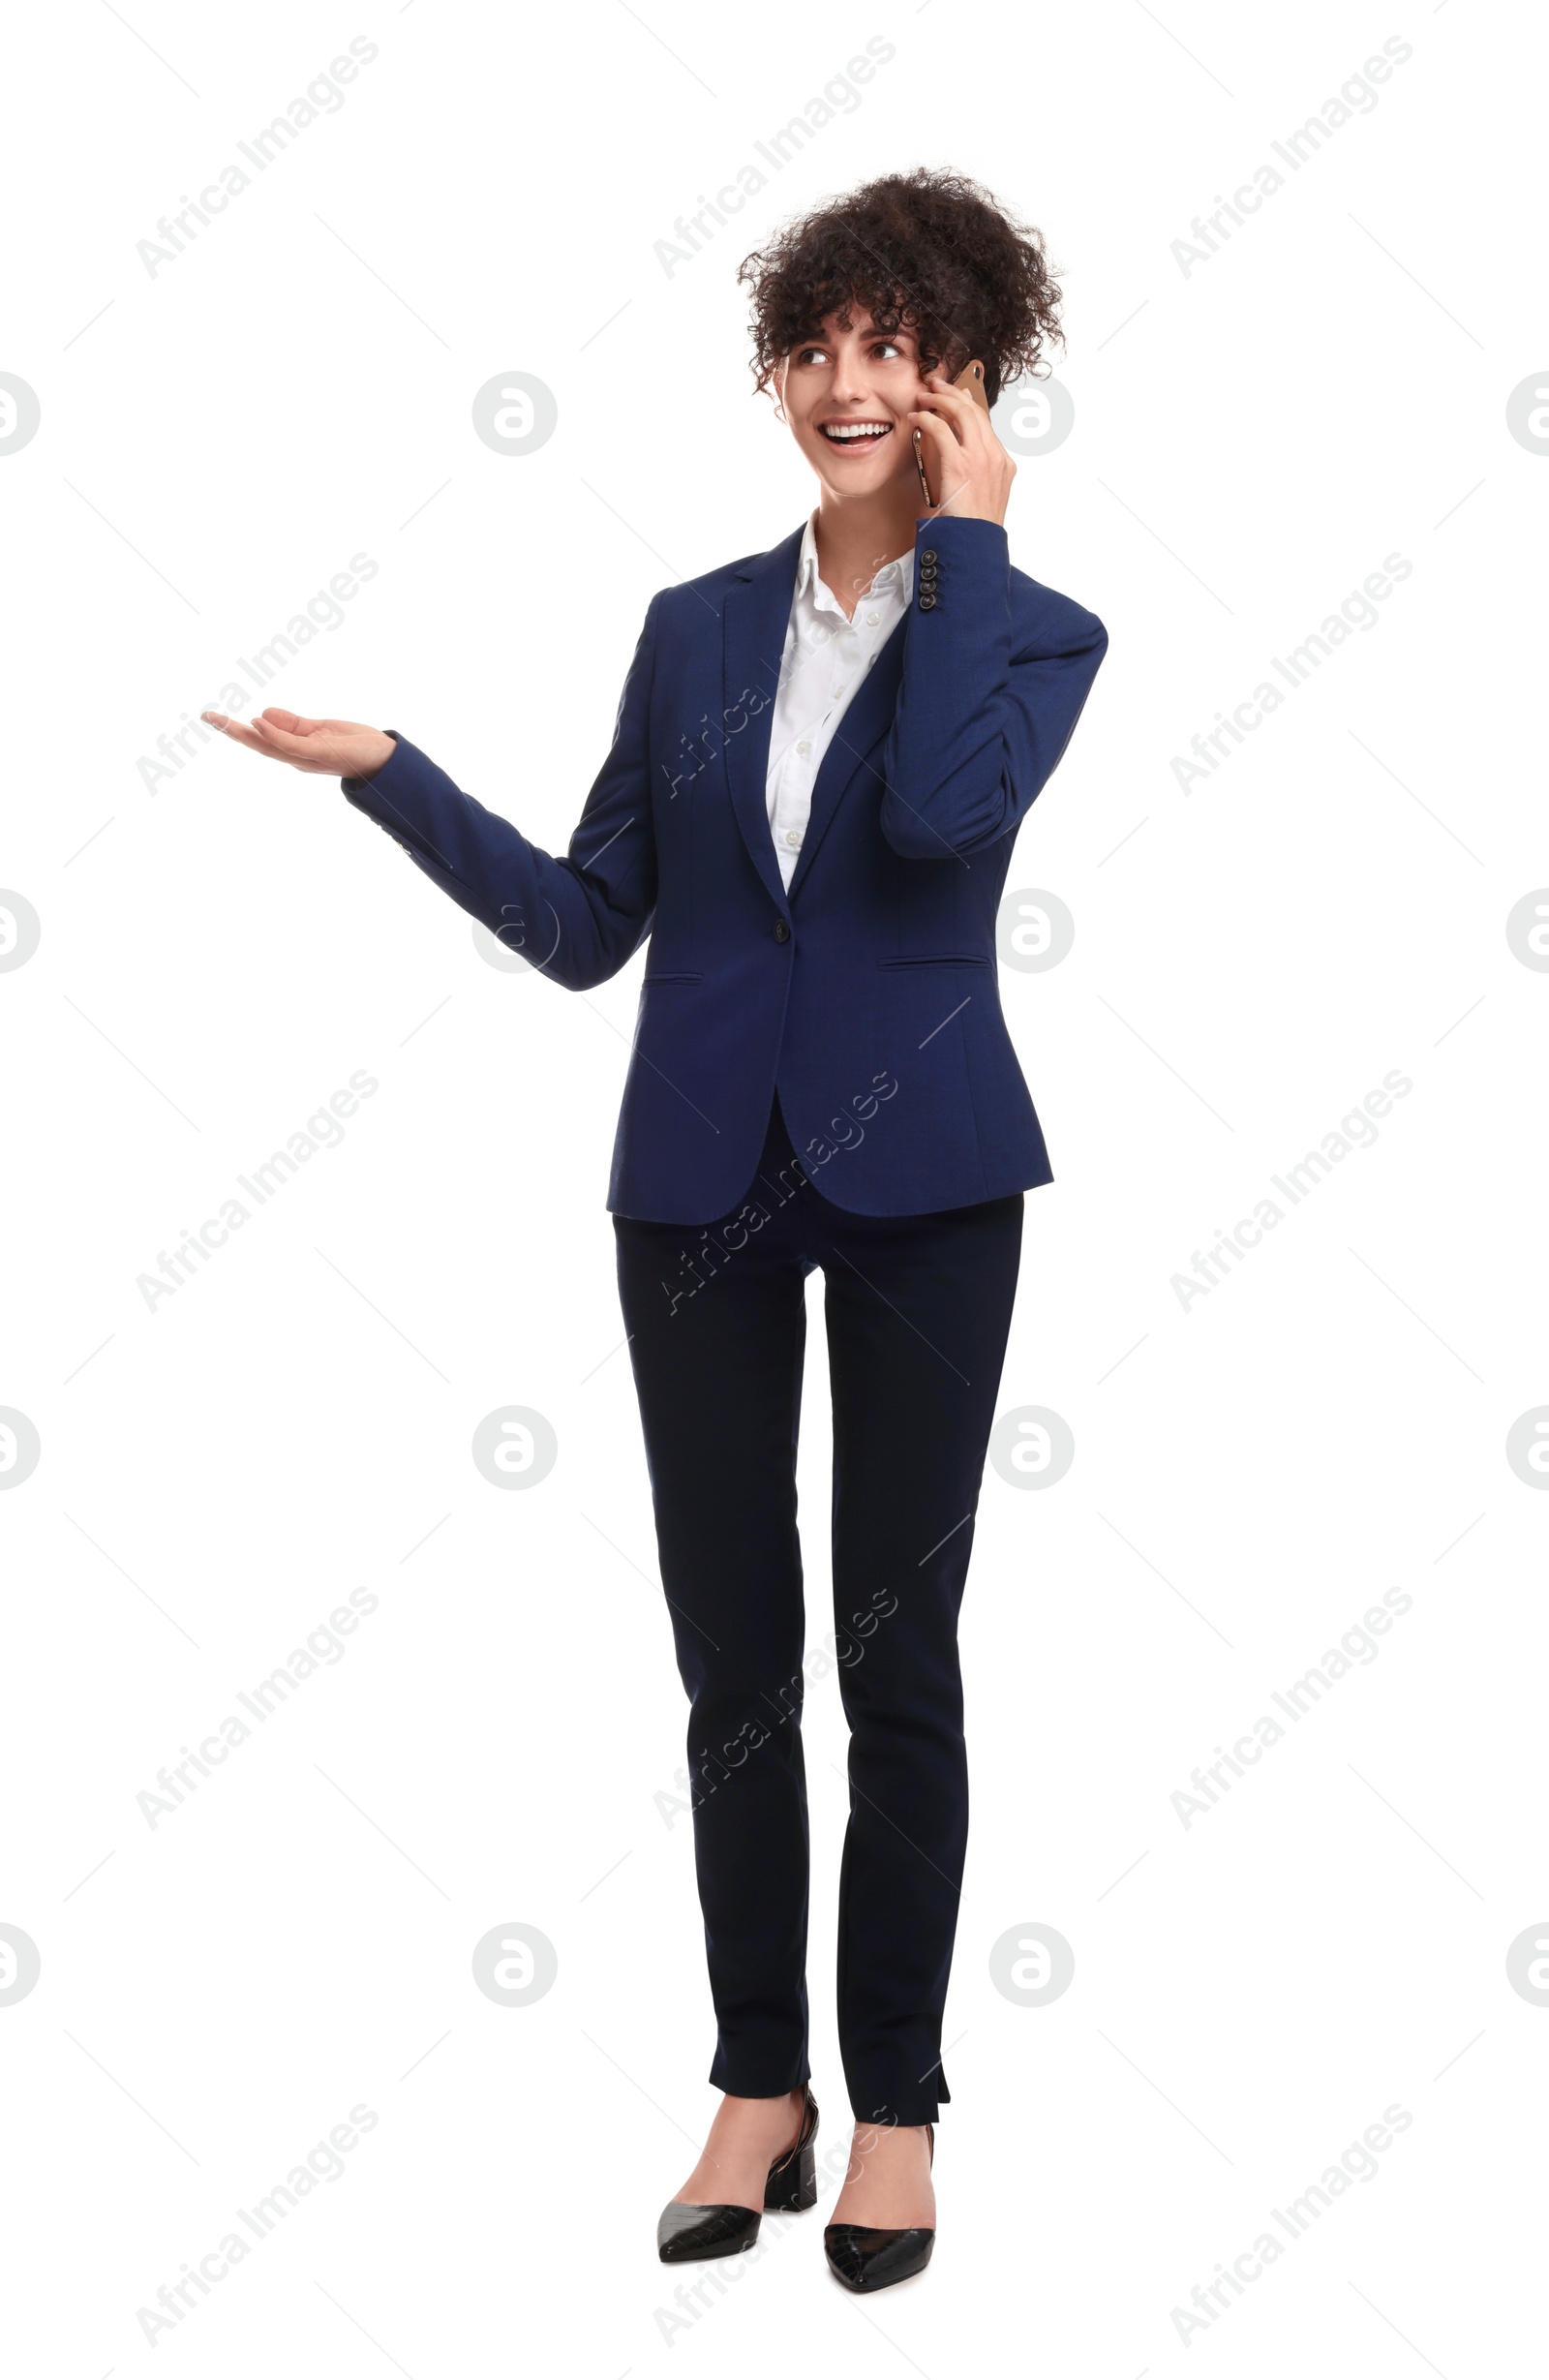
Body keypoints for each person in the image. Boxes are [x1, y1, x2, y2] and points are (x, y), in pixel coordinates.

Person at [204, 166, 1108, 2295]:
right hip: (693, 1184)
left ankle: (895, 2102)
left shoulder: (1032, 627)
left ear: (974, 376)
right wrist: (391, 771)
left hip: (926, 1183)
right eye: (813, 340)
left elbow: (931, 822)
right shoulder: (691, 623)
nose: (844, 379)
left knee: (897, 1657)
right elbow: (589, 923)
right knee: (730, 1668)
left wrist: (964, 545)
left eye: (897, 343)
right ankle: (754, 2076)